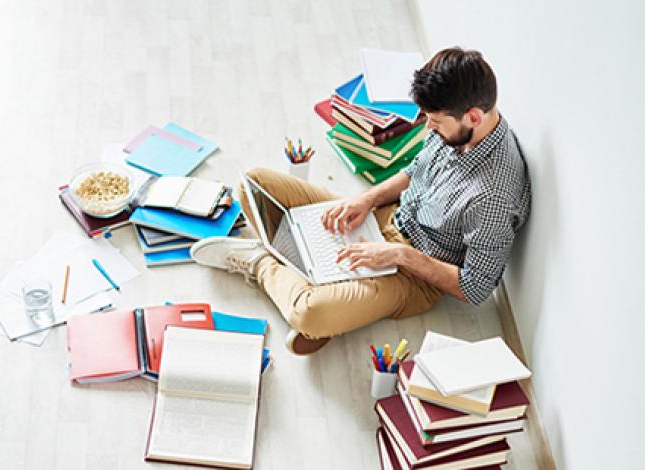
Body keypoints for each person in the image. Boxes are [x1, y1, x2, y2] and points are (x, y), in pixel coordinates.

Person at [190, 47, 531, 355]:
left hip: (413, 275)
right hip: (385, 217)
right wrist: (366, 200)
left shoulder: (494, 197)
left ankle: (261, 263)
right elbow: (415, 171)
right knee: (253, 183)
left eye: (436, 122)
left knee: (311, 313)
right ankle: (315, 274)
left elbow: (475, 287)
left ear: (473, 116)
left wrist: (398, 254)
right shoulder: (458, 130)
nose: (428, 129)